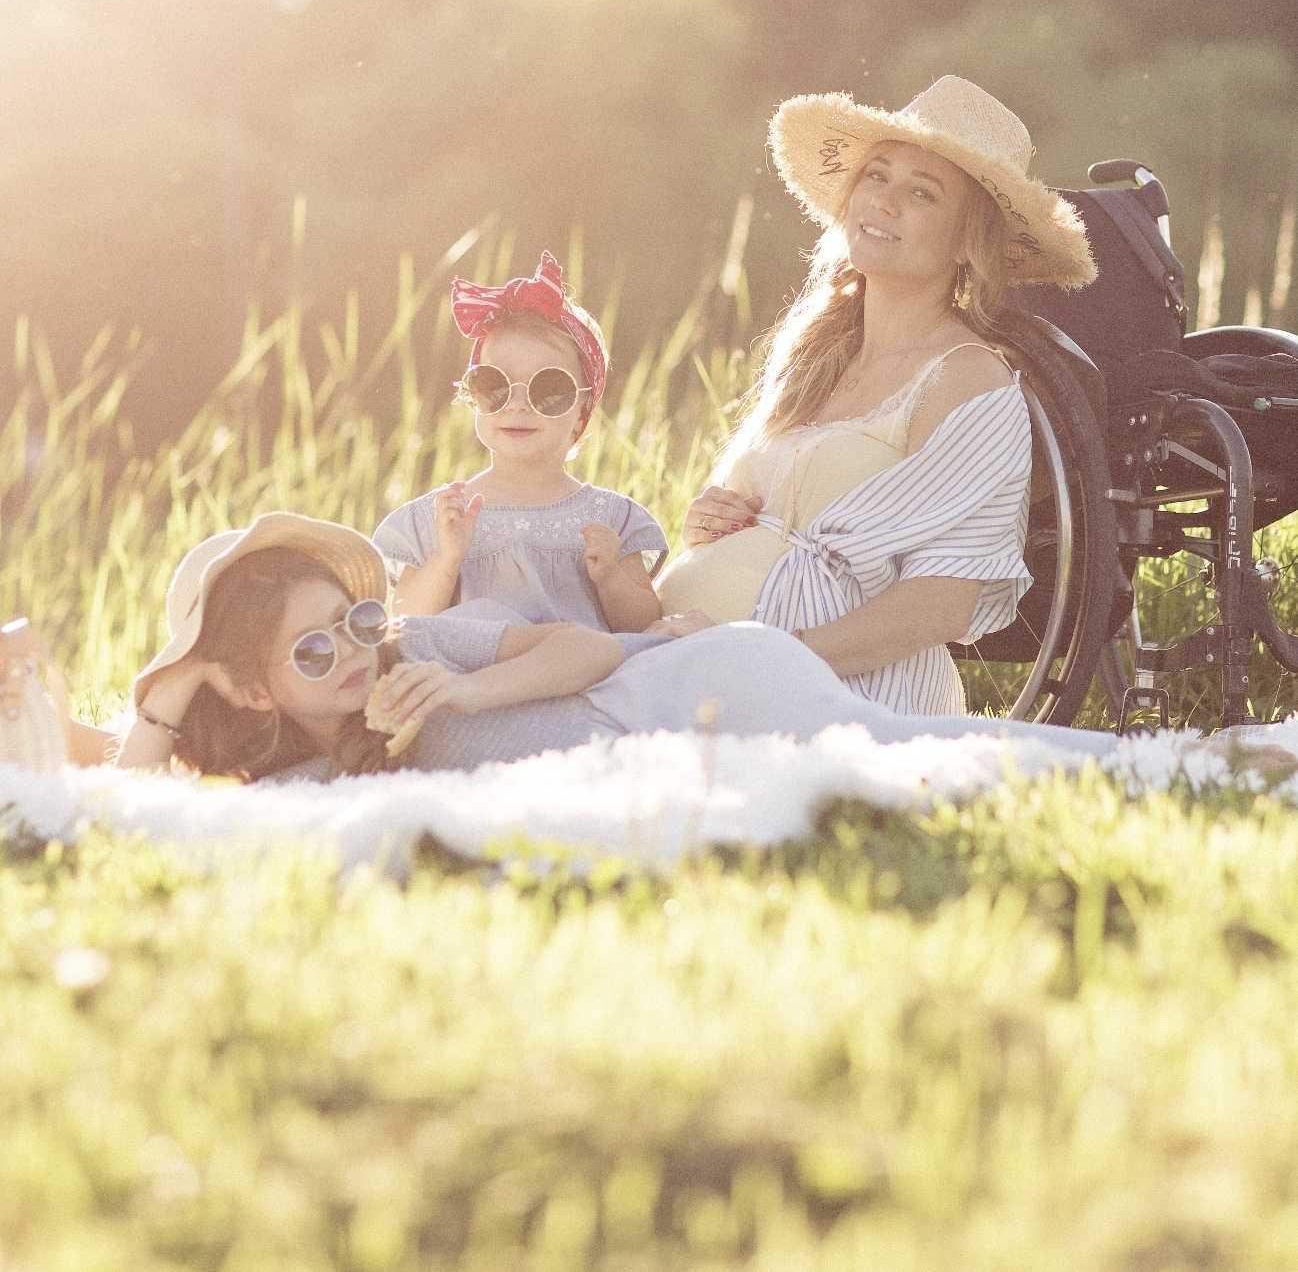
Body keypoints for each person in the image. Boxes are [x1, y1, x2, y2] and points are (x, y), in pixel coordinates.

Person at [11, 513, 1292, 785]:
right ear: (248, 684)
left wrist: (462, 680)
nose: (352, 656)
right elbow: (135, 805)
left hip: (701, 683)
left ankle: (1195, 764)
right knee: (920, 766)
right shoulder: (299, 770)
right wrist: (167, 698)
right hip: (683, 743)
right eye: (312, 654)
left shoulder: (421, 644)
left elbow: (579, 647)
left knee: (918, 753)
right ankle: (1197, 763)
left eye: (351, 623)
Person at [658, 74, 1097, 717]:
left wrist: (761, 656)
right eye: (876, 176)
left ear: (967, 241)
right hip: (694, 663)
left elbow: (939, 605)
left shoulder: (971, 382)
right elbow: (753, 520)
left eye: (921, 192)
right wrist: (707, 526)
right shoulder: (813, 357)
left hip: (833, 695)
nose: (885, 202)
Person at [374, 251, 666, 633]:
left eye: (549, 389)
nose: (516, 405)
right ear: (472, 396)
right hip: (477, 664)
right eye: (493, 385)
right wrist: (447, 560)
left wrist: (611, 577)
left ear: (582, 412)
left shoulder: (610, 518)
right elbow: (404, 622)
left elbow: (645, 626)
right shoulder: (443, 517)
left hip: (577, 664)